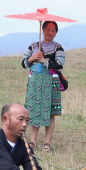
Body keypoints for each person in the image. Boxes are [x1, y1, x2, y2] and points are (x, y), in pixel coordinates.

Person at [21, 21, 65, 152]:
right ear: (43, 30)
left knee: (50, 113)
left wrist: (43, 60)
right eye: (47, 29)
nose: (50, 32)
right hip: (35, 81)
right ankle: (32, 142)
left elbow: (60, 64)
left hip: (51, 82)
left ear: (56, 33)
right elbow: (23, 63)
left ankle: (47, 143)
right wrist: (32, 58)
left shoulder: (58, 47)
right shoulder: (33, 45)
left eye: (53, 30)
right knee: (34, 111)